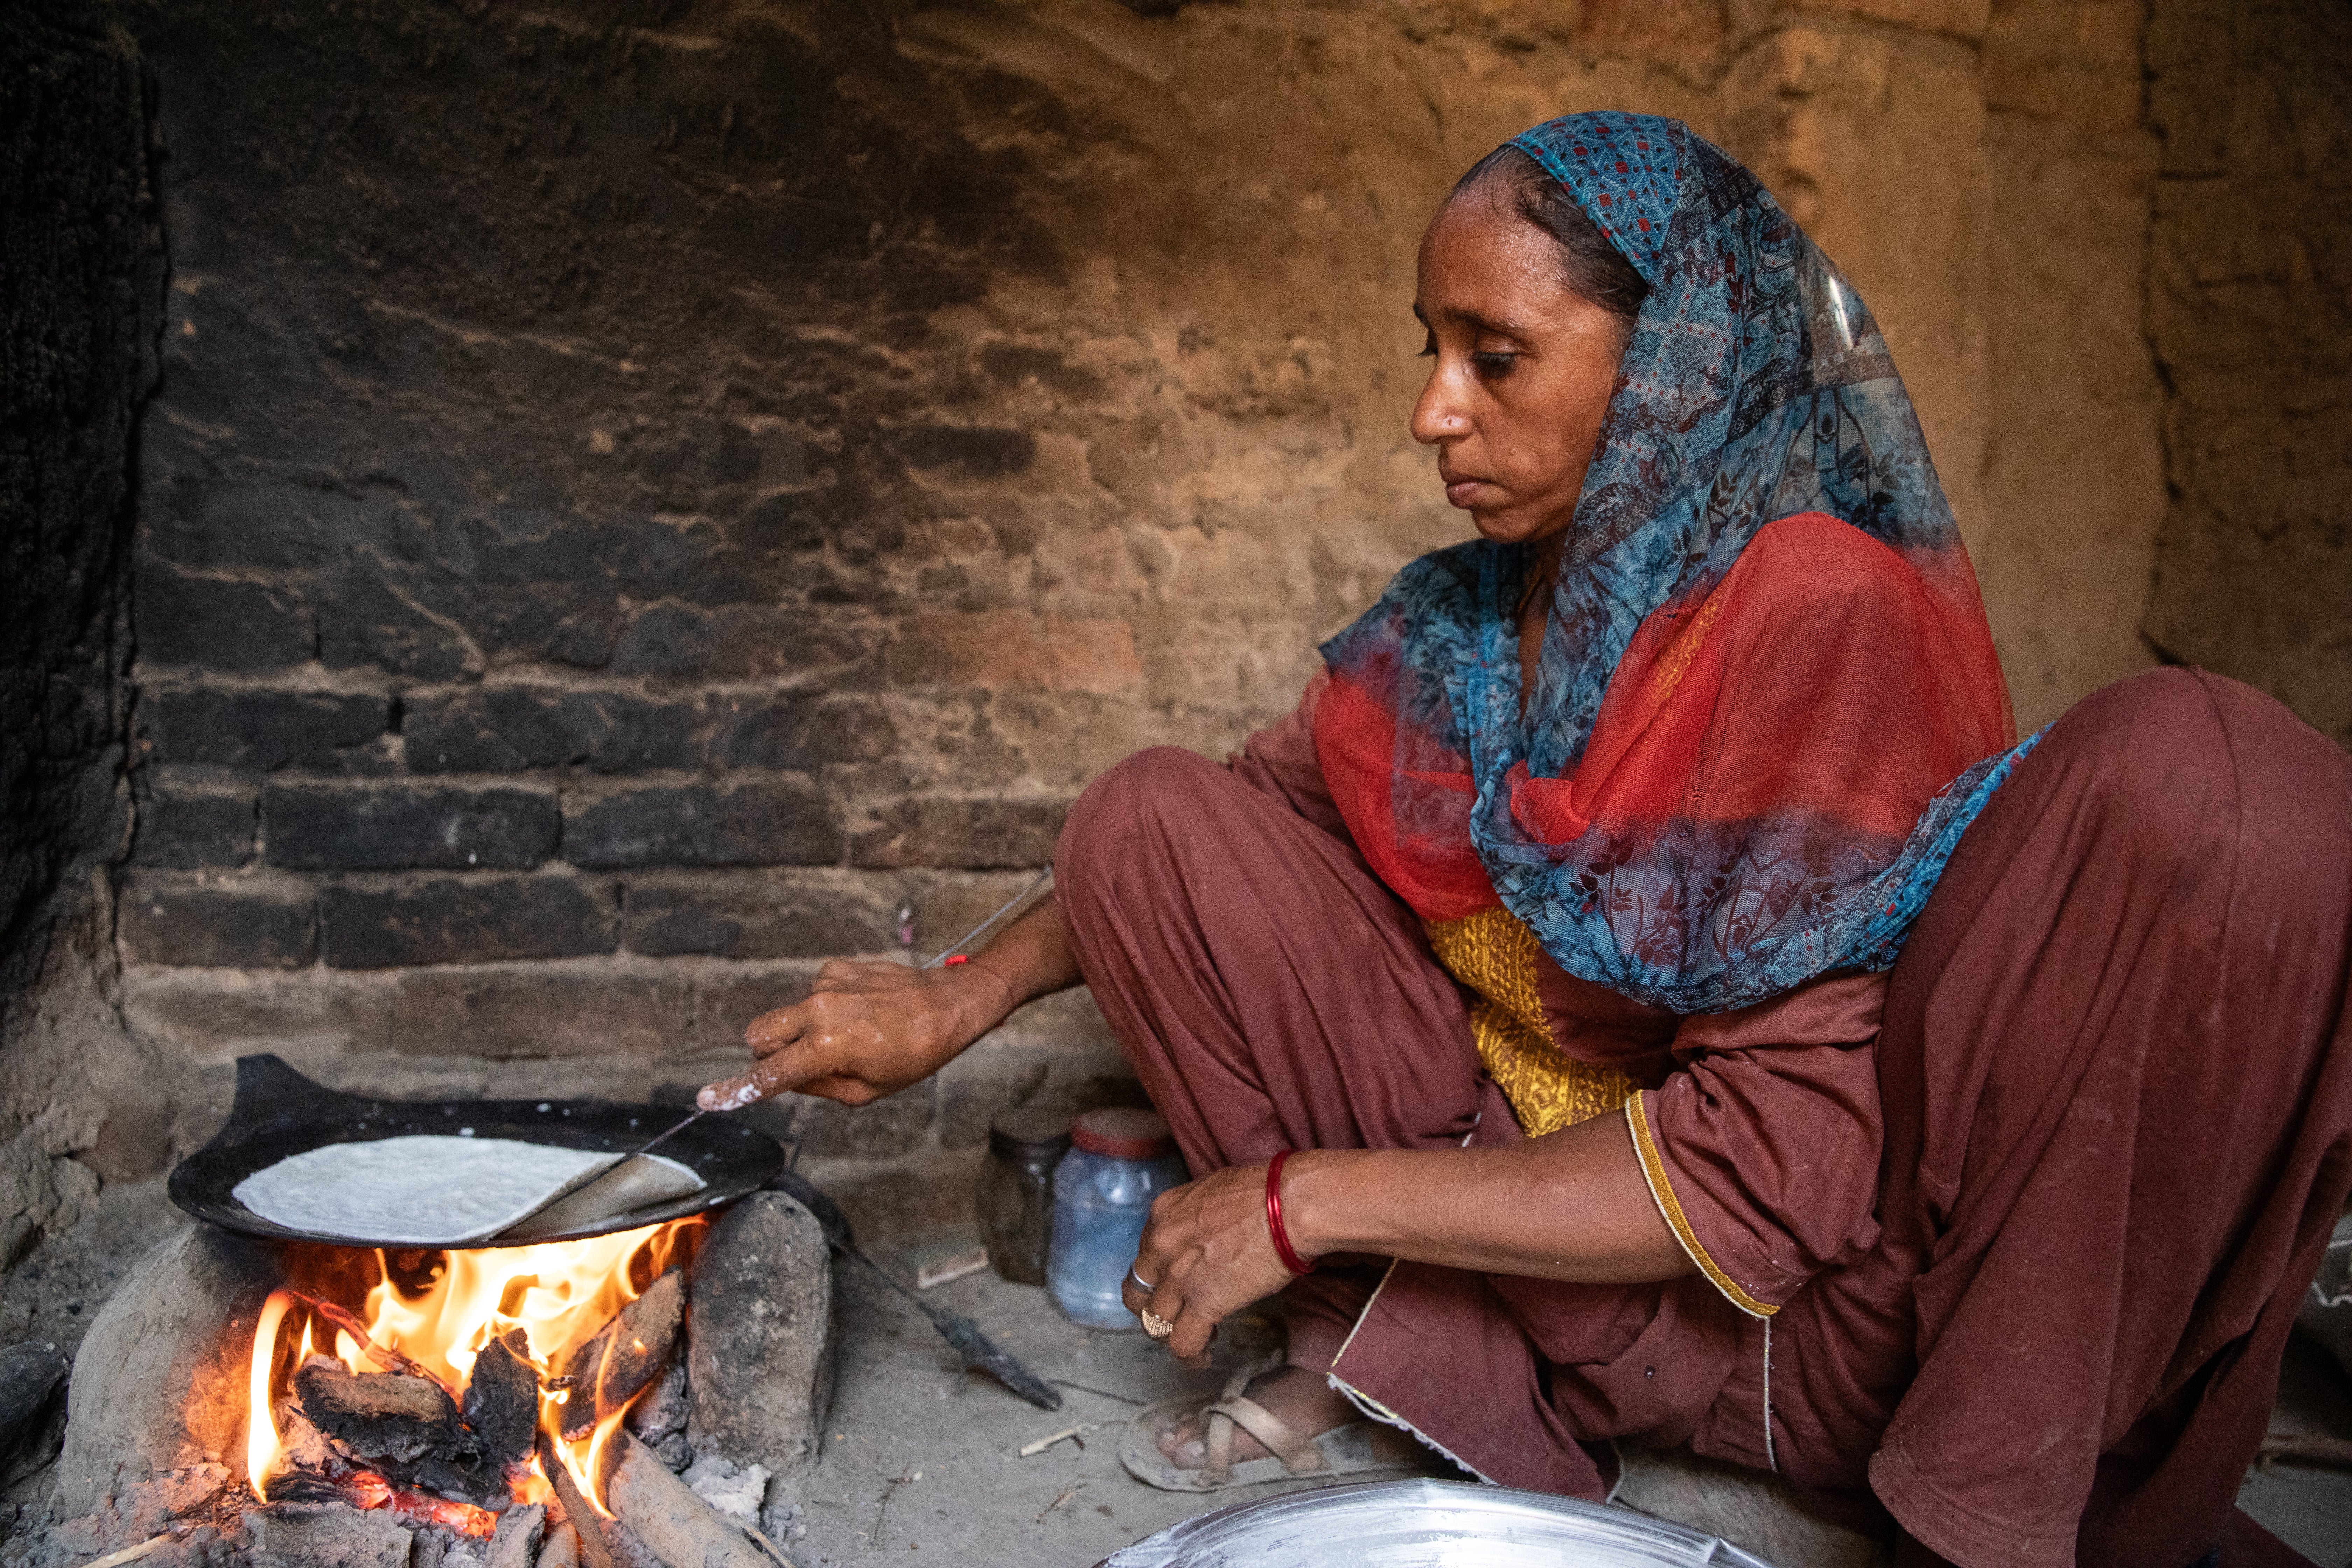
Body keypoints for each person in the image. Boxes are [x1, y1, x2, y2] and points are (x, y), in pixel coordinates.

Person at [696, 113, 2352, 1568]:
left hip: (1790, 1325)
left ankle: (1548, 1377)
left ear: (1674, 371)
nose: (1433, 410)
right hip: (1542, 1260)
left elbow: (1755, 1189)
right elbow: (1239, 819)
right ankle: (1425, 1370)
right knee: (1148, 819)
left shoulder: (1810, 606)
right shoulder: (1467, 629)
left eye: (1497, 357)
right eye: (1427, 346)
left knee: (2208, 771)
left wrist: (1295, 1203)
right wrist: (953, 996)